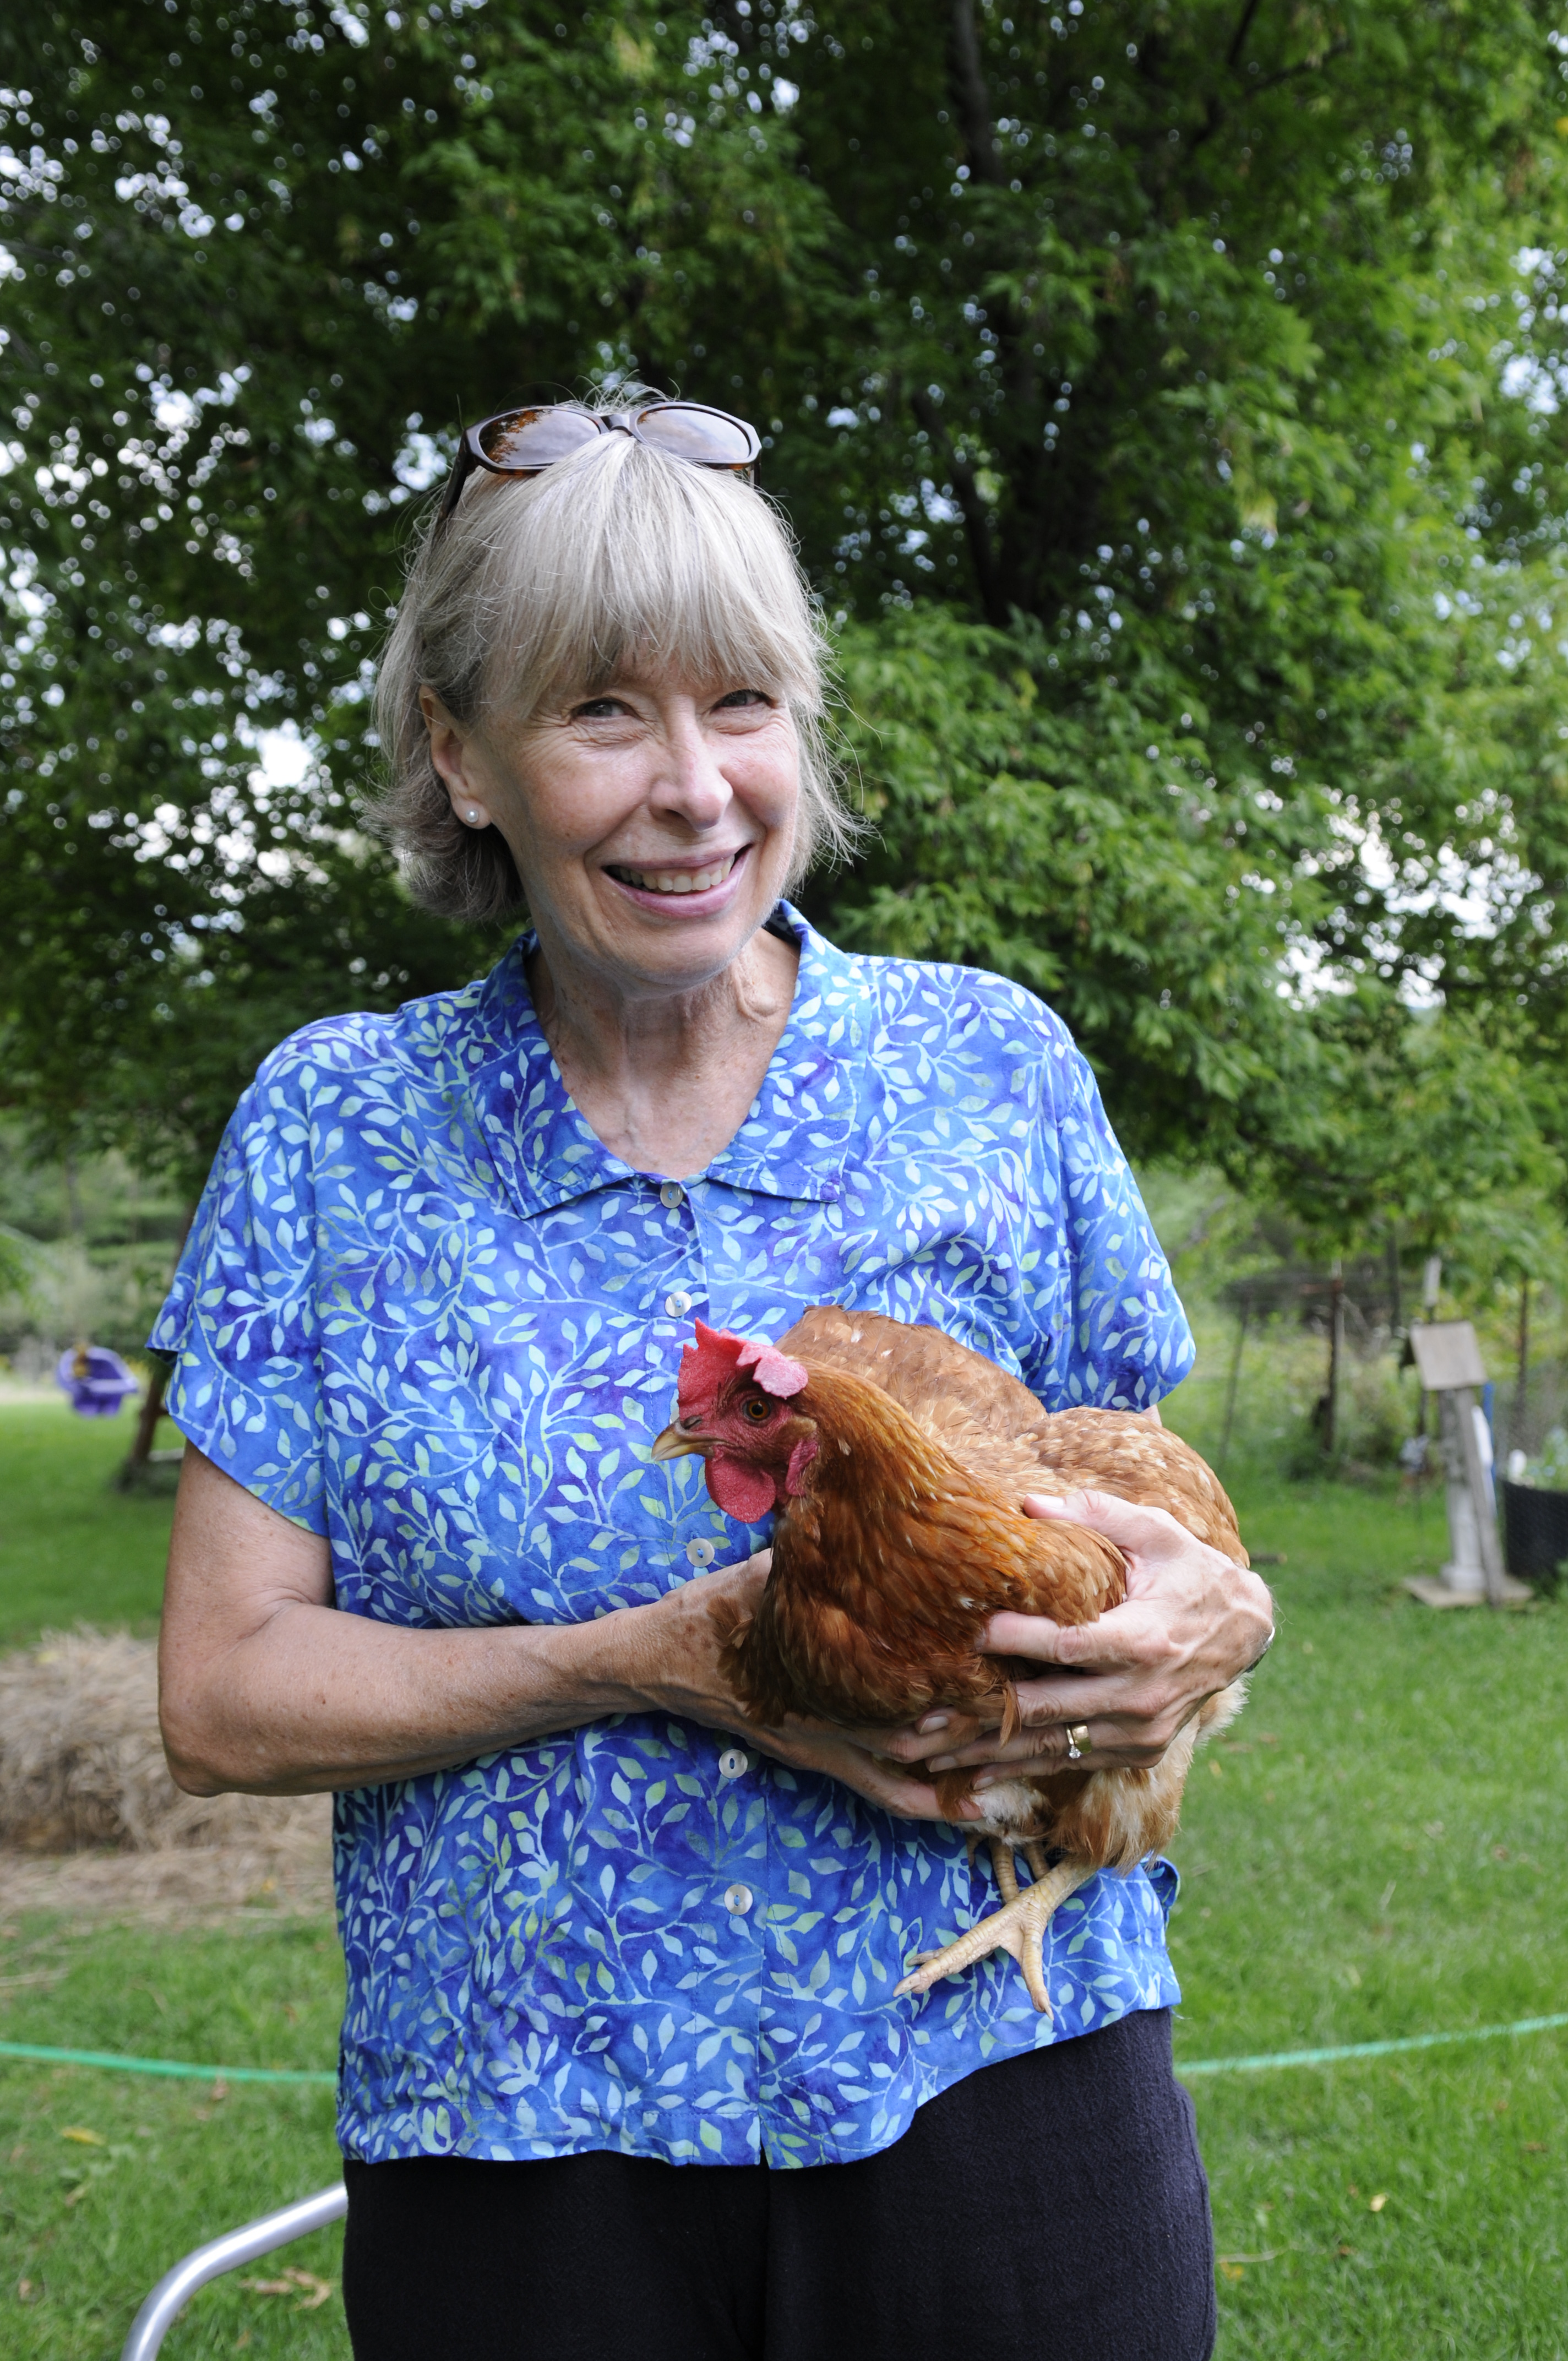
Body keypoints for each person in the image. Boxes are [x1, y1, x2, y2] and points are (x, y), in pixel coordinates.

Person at [154, 395, 1273, 2361]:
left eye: (742, 702)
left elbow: (1150, 1509)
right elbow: (227, 1696)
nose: (694, 787)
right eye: (601, 711)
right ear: (460, 752)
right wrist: (645, 1656)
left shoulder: (987, 1066)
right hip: (529, 2152)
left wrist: (1223, 1618)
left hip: (1001, 2086)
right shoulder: (339, 1129)